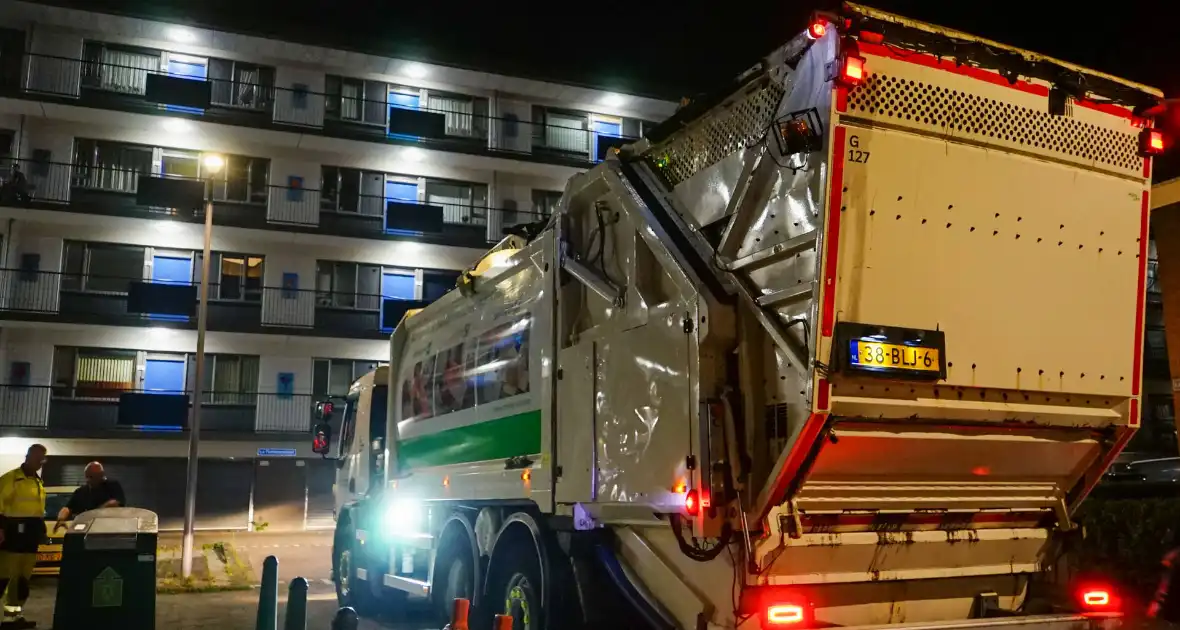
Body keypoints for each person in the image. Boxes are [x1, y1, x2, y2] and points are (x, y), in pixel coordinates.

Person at [0, 444, 47, 629]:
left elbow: (37, 511)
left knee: (21, 581)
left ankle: (13, 617)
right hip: (12, 535)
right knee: (4, 577)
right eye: (38, 458)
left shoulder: (38, 482)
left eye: (43, 459)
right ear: (29, 456)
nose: (41, 462)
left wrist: (41, 531)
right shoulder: (11, 479)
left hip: (30, 536)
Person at [54, 462, 123, 528]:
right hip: (85, 527)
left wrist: (94, 513)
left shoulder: (112, 486)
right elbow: (67, 508)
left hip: (107, 527)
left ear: (101, 476)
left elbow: (114, 503)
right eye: (87, 476)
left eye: (92, 477)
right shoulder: (80, 491)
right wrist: (61, 519)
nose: (88, 480)